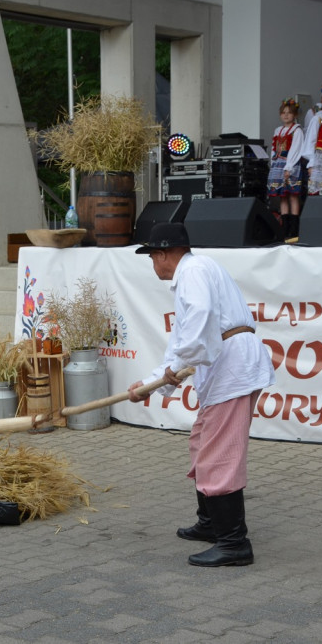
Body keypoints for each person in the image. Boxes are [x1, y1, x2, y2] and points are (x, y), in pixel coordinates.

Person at [128, 223, 275, 567]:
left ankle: (234, 543)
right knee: (202, 441)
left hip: (233, 366)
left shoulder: (193, 270)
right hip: (227, 365)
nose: (153, 266)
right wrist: (153, 384)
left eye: (152, 258)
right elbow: (182, 341)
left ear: (162, 254)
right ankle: (211, 523)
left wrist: (172, 370)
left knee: (219, 453)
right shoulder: (196, 271)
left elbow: (198, 324)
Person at [267, 97, 305, 240]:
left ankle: (294, 229)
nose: (286, 115)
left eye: (289, 113)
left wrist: (289, 167)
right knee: (282, 197)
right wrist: (273, 163)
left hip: (291, 165)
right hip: (278, 165)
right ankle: (285, 228)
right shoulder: (278, 130)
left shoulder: (297, 130)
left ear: (295, 115)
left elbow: (296, 149)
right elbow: (274, 148)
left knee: (293, 196)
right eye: (283, 113)